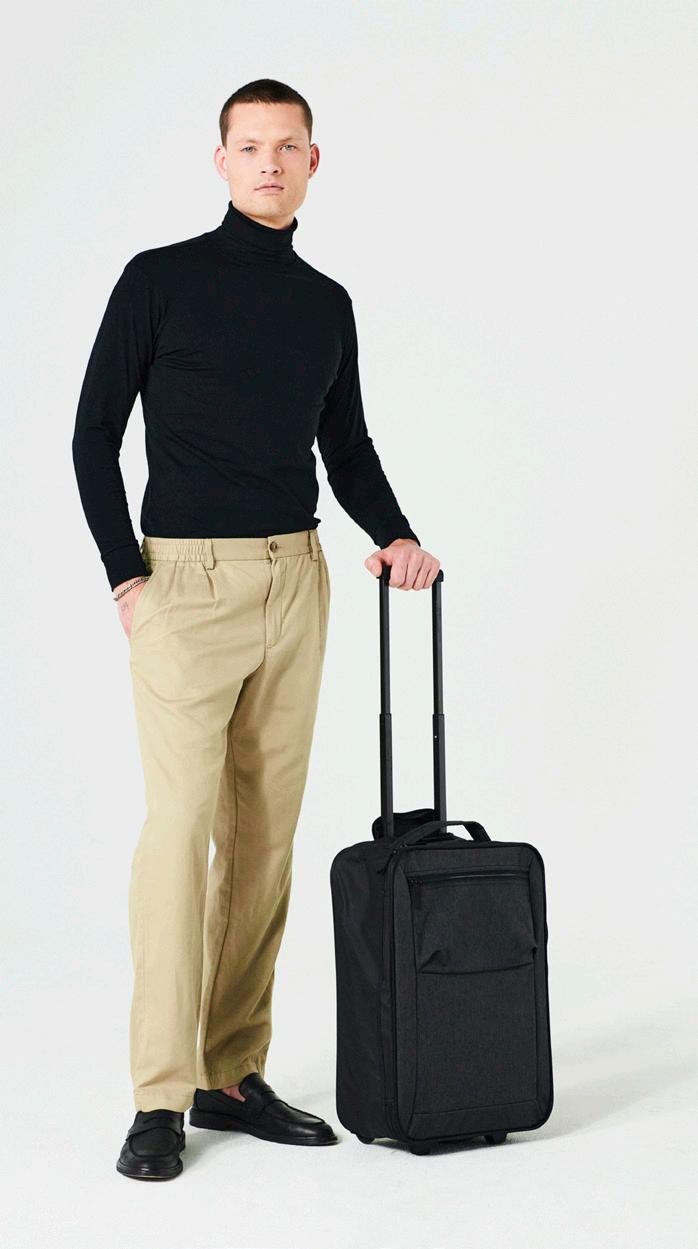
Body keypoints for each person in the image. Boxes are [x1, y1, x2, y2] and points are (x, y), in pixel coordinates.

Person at [72, 77, 441, 1181]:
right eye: (250, 146)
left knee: (263, 840)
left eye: (288, 146)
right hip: (182, 587)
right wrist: (126, 578)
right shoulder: (160, 279)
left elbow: (347, 444)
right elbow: (92, 436)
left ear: (313, 162)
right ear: (221, 160)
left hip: (296, 578)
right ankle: (156, 1093)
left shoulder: (325, 303)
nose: (269, 163)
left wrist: (396, 534)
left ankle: (228, 1072)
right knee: (179, 833)